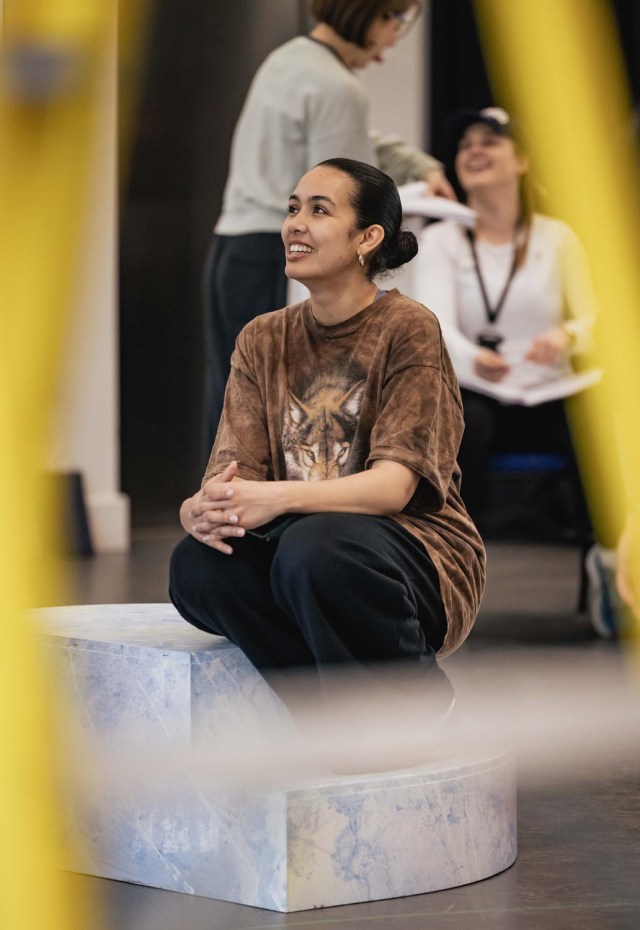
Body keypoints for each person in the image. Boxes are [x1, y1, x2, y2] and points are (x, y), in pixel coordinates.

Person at [171, 158, 485, 754]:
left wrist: (278, 499)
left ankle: (423, 707)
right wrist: (200, 511)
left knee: (317, 548)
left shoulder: (408, 327)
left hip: (412, 551)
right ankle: (330, 724)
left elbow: (394, 487)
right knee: (199, 567)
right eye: (292, 208)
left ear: (368, 238)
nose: (296, 224)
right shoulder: (262, 337)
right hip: (302, 550)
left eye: (320, 210)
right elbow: (231, 477)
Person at [202, 0, 455, 452]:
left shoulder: (289, 59)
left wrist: (414, 163)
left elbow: (347, 142)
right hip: (275, 254)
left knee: (230, 400)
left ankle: (221, 512)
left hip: (233, 248)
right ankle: (251, 516)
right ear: (369, 15)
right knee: (268, 410)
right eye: (395, 20)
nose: (394, 37)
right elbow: (345, 188)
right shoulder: (336, 86)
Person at [410, 107, 598, 535]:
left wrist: (568, 335)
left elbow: (593, 319)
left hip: (549, 389)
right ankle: (457, 557)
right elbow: (434, 323)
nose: (475, 150)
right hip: (478, 392)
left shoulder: (557, 237)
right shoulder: (441, 239)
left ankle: (610, 562)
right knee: (463, 420)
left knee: (596, 422)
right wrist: (474, 357)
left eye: (490, 141)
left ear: (522, 161)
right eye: (466, 145)